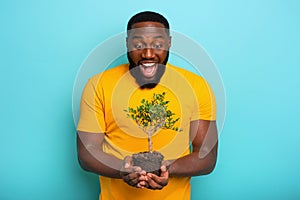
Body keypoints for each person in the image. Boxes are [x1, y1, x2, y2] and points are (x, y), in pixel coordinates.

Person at [77, 11, 218, 200]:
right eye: (138, 45)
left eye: (158, 45)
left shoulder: (197, 86)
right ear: (127, 44)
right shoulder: (99, 85)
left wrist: (167, 168)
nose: (148, 54)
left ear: (169, 43)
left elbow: (207, 156)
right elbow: (87, 152)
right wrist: (122, 169)